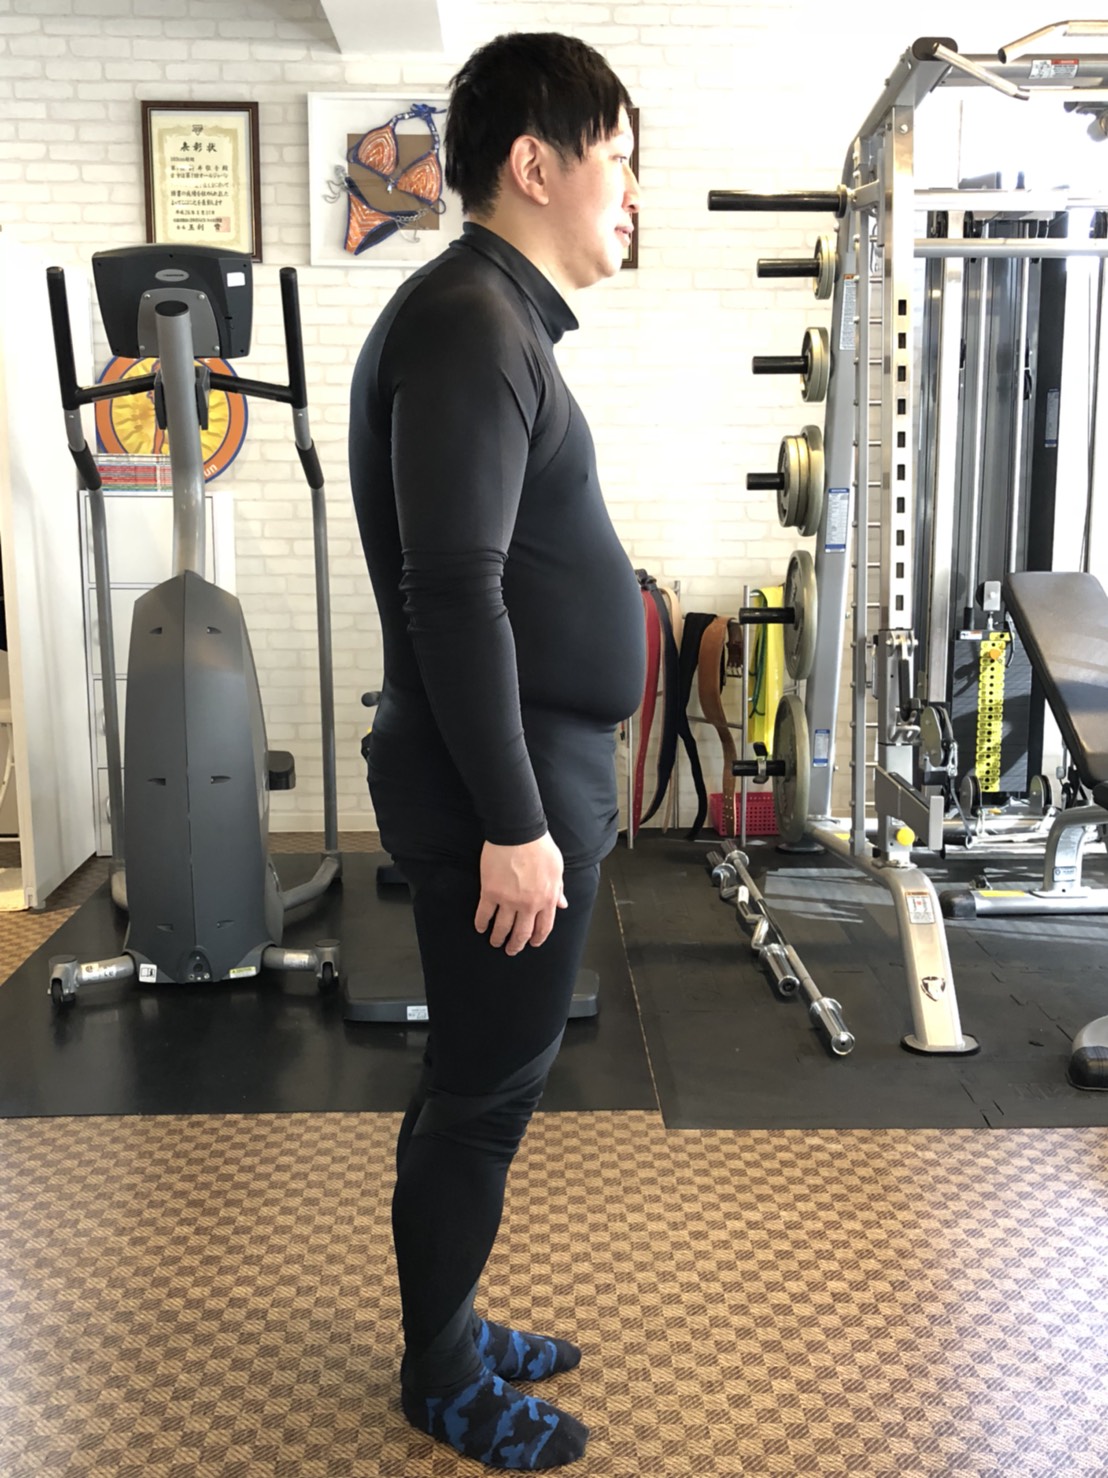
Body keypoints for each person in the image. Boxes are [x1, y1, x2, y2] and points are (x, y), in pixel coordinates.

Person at [348, 31, 644, 1471]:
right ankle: (441, 1379)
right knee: (483, 1096)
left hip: (520, 771)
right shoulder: (472, 321)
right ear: (536, 162)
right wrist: (517, 825)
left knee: (478, 1078)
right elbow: (453, 591)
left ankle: (452, 1324)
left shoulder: (491, 317)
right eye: (618, 160)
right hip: (499, 788)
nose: (631, 194)